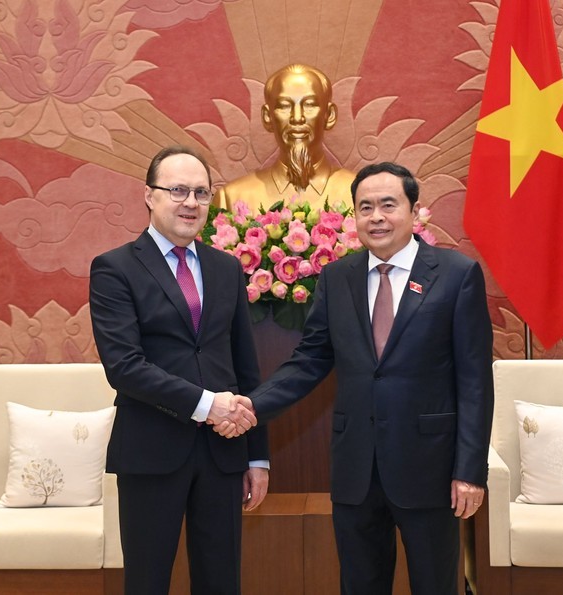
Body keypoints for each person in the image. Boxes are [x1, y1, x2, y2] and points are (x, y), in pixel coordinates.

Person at [217, 162, 493, 594]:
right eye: (365, 208)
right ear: (355, 217)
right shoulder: (337, 276)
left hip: (431, 469)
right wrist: (253, 404)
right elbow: (310, 360)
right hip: (356, 469)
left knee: (436, 584)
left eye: (388, 205)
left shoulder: (456, 275)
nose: (376, 217)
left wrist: (470, 470)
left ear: (414, 210)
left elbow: (475, 381)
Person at [89, 145, 269, 595]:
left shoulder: (226, 268)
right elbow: (124, 367)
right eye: (177, 190)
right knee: (148, 581)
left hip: (223, 455)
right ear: (149, 196)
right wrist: (208, 406)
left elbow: (246, 367)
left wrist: (257, 456)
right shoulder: (115, 268)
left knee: (222, 580)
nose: (191, 202)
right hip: (151, 451)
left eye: (201, 193)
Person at [215, 64, 355, 212]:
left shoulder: (360, 195)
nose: (297, 118)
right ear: (267, 117)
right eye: (284, 106)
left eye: (309, 105)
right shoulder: (231, 199)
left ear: (330, 115)